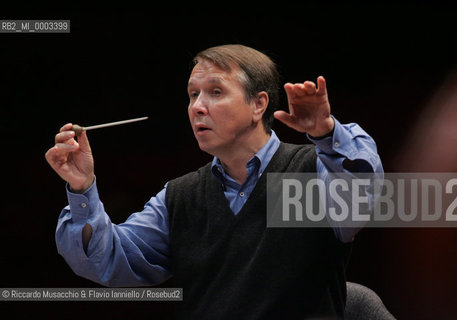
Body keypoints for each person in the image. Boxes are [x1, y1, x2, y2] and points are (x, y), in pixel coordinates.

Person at [46, 44, 383, 319]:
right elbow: (109, 262)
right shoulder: (179, 197)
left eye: (216, 92)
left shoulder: (312, 172)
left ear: (258, 104)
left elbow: (360, 200)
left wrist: (325, 134)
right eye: (193, 95)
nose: (198, 107)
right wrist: (82, 187)